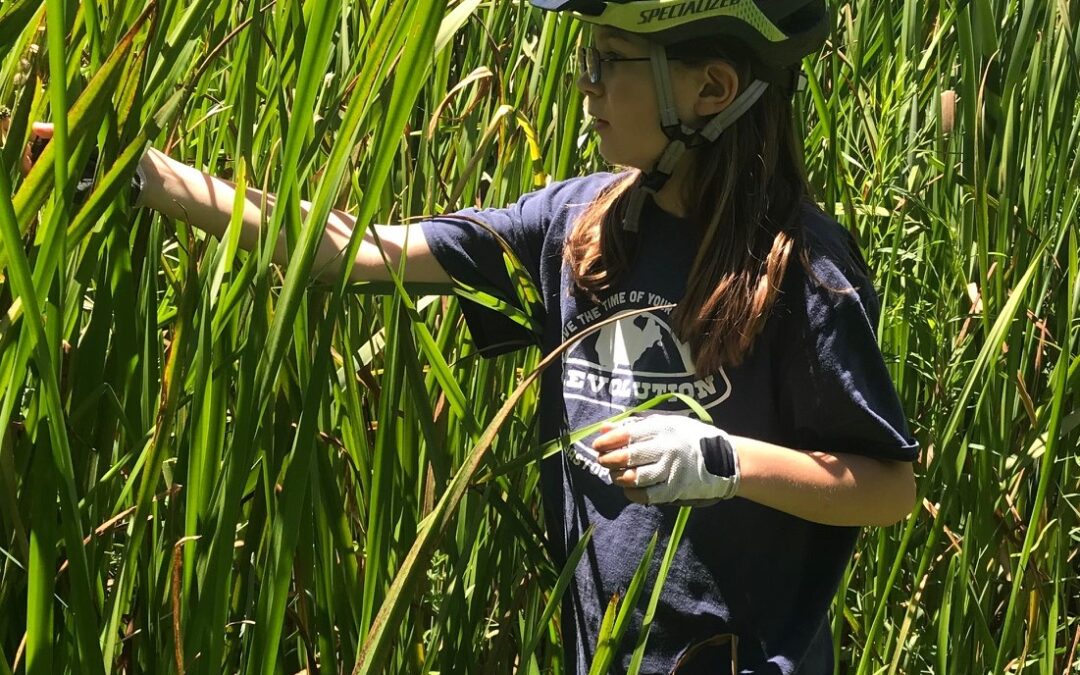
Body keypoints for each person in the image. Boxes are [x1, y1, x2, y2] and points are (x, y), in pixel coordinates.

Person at [24, 0, 919, 671]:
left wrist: (725, 462)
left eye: (613, 62)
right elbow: (348, 251)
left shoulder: (799, 268)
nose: (589, 86)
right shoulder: (576, 229)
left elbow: (885, 486)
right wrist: (144, 178)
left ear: (712, 89)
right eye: (587, 60)